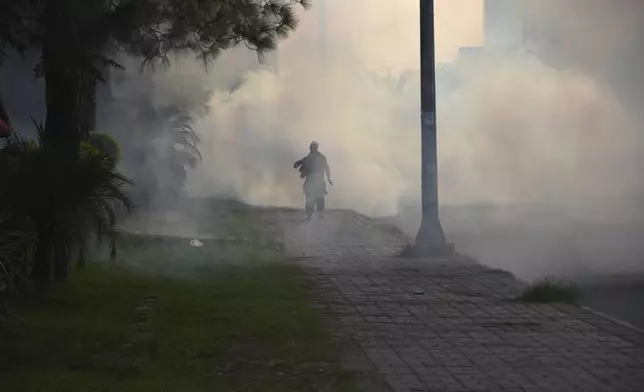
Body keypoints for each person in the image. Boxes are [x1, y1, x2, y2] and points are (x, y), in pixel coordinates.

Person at [293, 141, 332, 220]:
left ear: (315, 148)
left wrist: (328, 178)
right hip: (314, 178)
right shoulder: (313, 156)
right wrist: (297, 164)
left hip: (315, 178)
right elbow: (302, 161)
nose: (310, 148)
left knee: (315, 195)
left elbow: (326, 167)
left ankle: (316, 213)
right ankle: (313, 213)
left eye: (311, 147)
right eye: (310, 147)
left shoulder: (318, 157)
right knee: (312, 194)